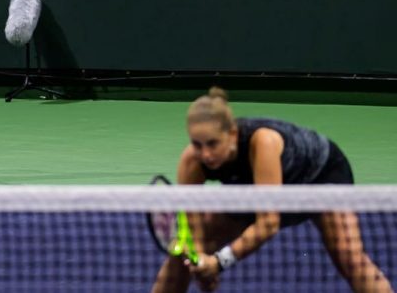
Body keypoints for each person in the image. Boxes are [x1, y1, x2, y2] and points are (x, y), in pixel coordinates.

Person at [152, 87, 393, 293]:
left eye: (213, 144)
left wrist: (218, 262)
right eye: (197, 144)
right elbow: (194, 231)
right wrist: (202, 264)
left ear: (232, 133)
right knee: (180, 256)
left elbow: (268, 222)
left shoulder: (263, 142)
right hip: (255, 187)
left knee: (349, 256)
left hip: (319, 179)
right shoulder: (192, 162)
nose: (205, 154)